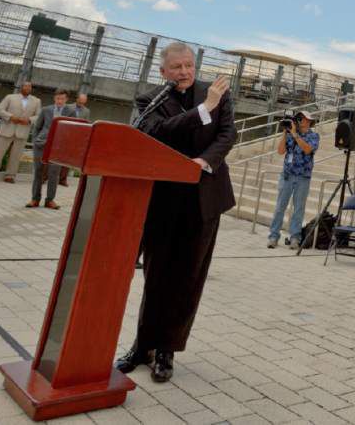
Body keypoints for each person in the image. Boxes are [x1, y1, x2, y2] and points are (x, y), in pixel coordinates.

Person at [115, 42, 235, 383]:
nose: (184, 72)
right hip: (162, 198)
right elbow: (156, 132)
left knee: (187, 277)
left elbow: (228, 134)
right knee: (155, 275)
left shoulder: (217, 93)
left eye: (189, 65)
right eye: (177, 67)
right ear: (163, 71)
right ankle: (142, 346)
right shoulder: (148, 99)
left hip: (203, 197)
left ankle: (166, 350)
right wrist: (203, 109)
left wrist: (205, 160)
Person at [267, 110, 319, 249]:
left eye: (303, 119)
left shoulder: (313, 136)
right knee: (279, 208)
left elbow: (307, 149)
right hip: (287, 175)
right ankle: (273, 236)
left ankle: (295, 237)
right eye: (299, 118)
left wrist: (295, 135)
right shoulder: (290, 134)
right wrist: (285, 133)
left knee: (299, 209)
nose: (301, 121)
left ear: (309, 121)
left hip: (303, 177)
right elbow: (280, 151)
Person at [0, 82, 41, 183]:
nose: (27, 88)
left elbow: (39, 116)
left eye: (30, 86)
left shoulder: (36, 101)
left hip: (22, 131)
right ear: (21, 87)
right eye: (25, 86)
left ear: (31, 89)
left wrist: (29, 120)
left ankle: (10, 176)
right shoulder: (10, 97)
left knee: (16, 156)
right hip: (6, 129)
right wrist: (10, 117)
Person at [25, 88, 72, 209]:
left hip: (58, 147)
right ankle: (35, 199)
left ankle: (50, 200)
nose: (59, 101)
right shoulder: (46, 110)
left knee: (54, 174)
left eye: (62, 98)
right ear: (54, 98)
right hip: (41, 145)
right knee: (38, 172)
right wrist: (35, 141)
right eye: (57, 98)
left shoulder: (71, 112)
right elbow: (37, 127)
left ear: (66, 99)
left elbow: (72, 131)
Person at [58, 92, 91, 188]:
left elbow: (86, 124)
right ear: (77, 99)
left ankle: (62, 179)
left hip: (75, 137)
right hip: (63, 134)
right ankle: (46, 177)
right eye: (80, 101)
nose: (82, 104)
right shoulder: (67, 107)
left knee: (67, 159)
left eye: (83, 102)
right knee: (56, 156)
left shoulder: (86, 111)